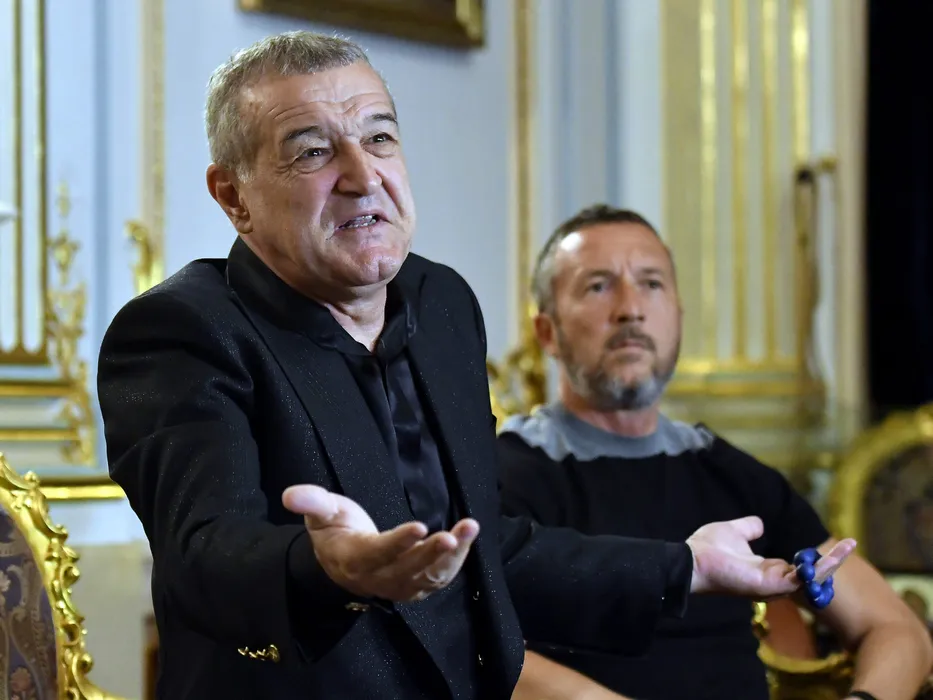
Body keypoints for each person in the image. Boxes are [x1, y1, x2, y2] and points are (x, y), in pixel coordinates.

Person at [96, 34, 854, 700]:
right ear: (234, 197)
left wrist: (682, 567)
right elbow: (206, 556)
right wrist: (328, 568)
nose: (363, 175)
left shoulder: (441, 303)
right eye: (312, 151)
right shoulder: (182, 330)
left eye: (380, 137)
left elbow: (484, 549)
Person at [499, 205, 933, 700]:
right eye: (598, 286)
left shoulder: (727, 472)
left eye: (651, 284)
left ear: (678, 317)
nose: (630, 308)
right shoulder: (505, 473)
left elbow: (897, 630)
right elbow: (473, 650)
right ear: (547, 332)